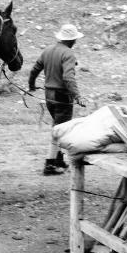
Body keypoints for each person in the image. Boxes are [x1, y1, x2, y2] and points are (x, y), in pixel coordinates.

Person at [28, 24, 87, 175]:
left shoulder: (48, 50)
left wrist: (32, 85)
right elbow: (68, 77)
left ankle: (59, 159)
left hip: (49, 95)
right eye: (74, 39)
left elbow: (35, 69)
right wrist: (77, 96)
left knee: (59, 128)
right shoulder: (68, 54)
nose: (75, 42)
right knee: (59, 130)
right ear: (71, 40)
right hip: (62, 96)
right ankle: (50, 165)